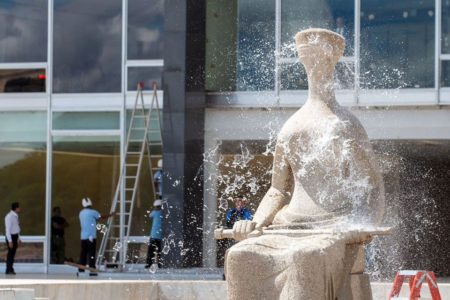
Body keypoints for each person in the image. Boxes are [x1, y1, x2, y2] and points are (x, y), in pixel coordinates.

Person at [79, 197, 113, 275]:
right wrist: (111, 215)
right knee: (91, 253)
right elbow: (101, 217)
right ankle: (92, 268)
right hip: (91, 237)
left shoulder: (81, 213)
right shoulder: (93, 212)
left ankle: (81, 268)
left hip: (83, 237)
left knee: (83, 252)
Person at [145, 199, 163, 269]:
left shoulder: (154, 213)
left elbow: (149, 216)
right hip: (160, 236)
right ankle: (160, 265)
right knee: (159, 252)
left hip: (153, 236)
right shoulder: (163, 213)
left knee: (151, 252)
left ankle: (149, 264)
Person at [4, 202, 21, 275]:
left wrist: (18, 238)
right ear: (16, 208)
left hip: (15, 236)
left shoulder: (16, 216)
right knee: (10, 254)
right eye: (19, 207)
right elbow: (8, 229)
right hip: (11, 236)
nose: (20, 209)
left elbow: (17, 227)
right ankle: (9, 269)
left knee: (12, 254)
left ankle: (9, 268)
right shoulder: (9, 216)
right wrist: (10, 241)